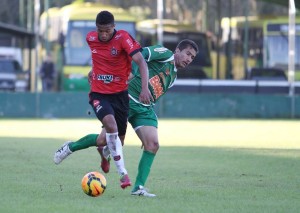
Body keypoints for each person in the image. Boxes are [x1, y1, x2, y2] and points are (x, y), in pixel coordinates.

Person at [53, 10, 152, 190]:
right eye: (100, 30)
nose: (103, 34)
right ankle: (123, 174)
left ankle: (75, 147)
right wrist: (95, 71)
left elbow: (141, 62)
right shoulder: (90, 38)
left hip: (120, 96)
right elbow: (99, 57)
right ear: (96, 29)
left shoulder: (123, 38)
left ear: (113, 27)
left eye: (107, 30)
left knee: (110, 141)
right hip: (98, 94)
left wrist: (145, 88)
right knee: (111, 126)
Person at [97, 39, 199, 197]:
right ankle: (70, 147)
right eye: (187, 54)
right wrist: (131, 73)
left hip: (143, 109)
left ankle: (138, 187)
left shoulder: (173, 77)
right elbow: (140, 54)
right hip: (128, 99)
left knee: (152, 144)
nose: (188, 59)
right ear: (177, 50)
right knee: (103, 139)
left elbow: (154, 94)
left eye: (192, 57)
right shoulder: (164, 53)